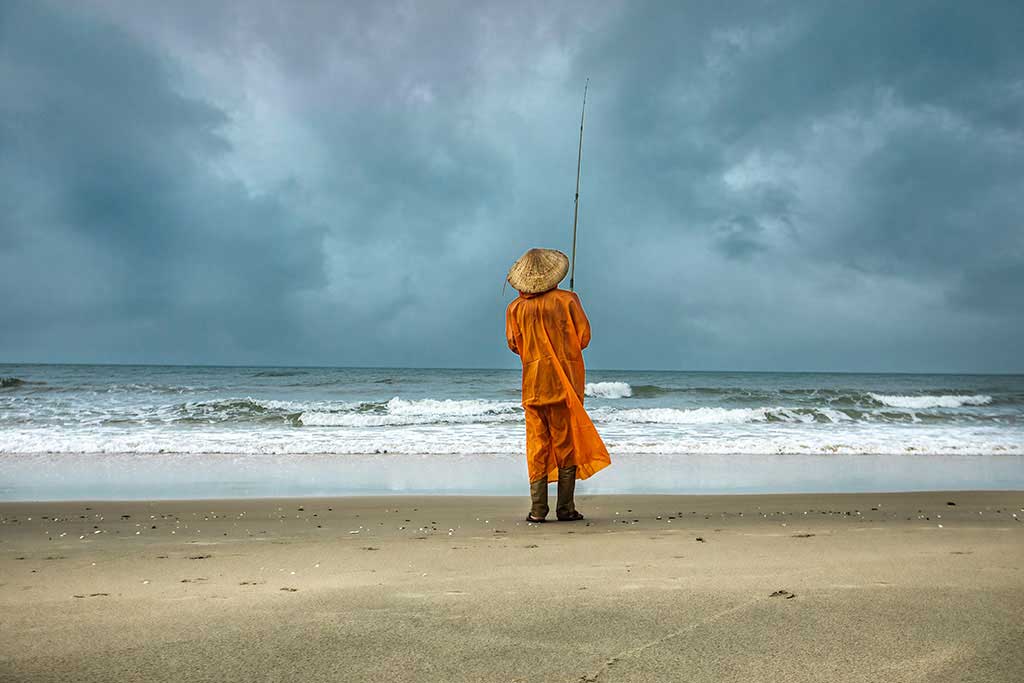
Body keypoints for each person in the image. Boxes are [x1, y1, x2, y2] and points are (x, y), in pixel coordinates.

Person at [505, 248, 611, 523]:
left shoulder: (515, 308)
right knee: (566, 445)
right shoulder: (567, 300)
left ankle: (538, 510)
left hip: (533, 385)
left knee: (537, 446)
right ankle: (566, 509)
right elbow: (583, 337)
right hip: (564, 383)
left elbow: (514, 345)